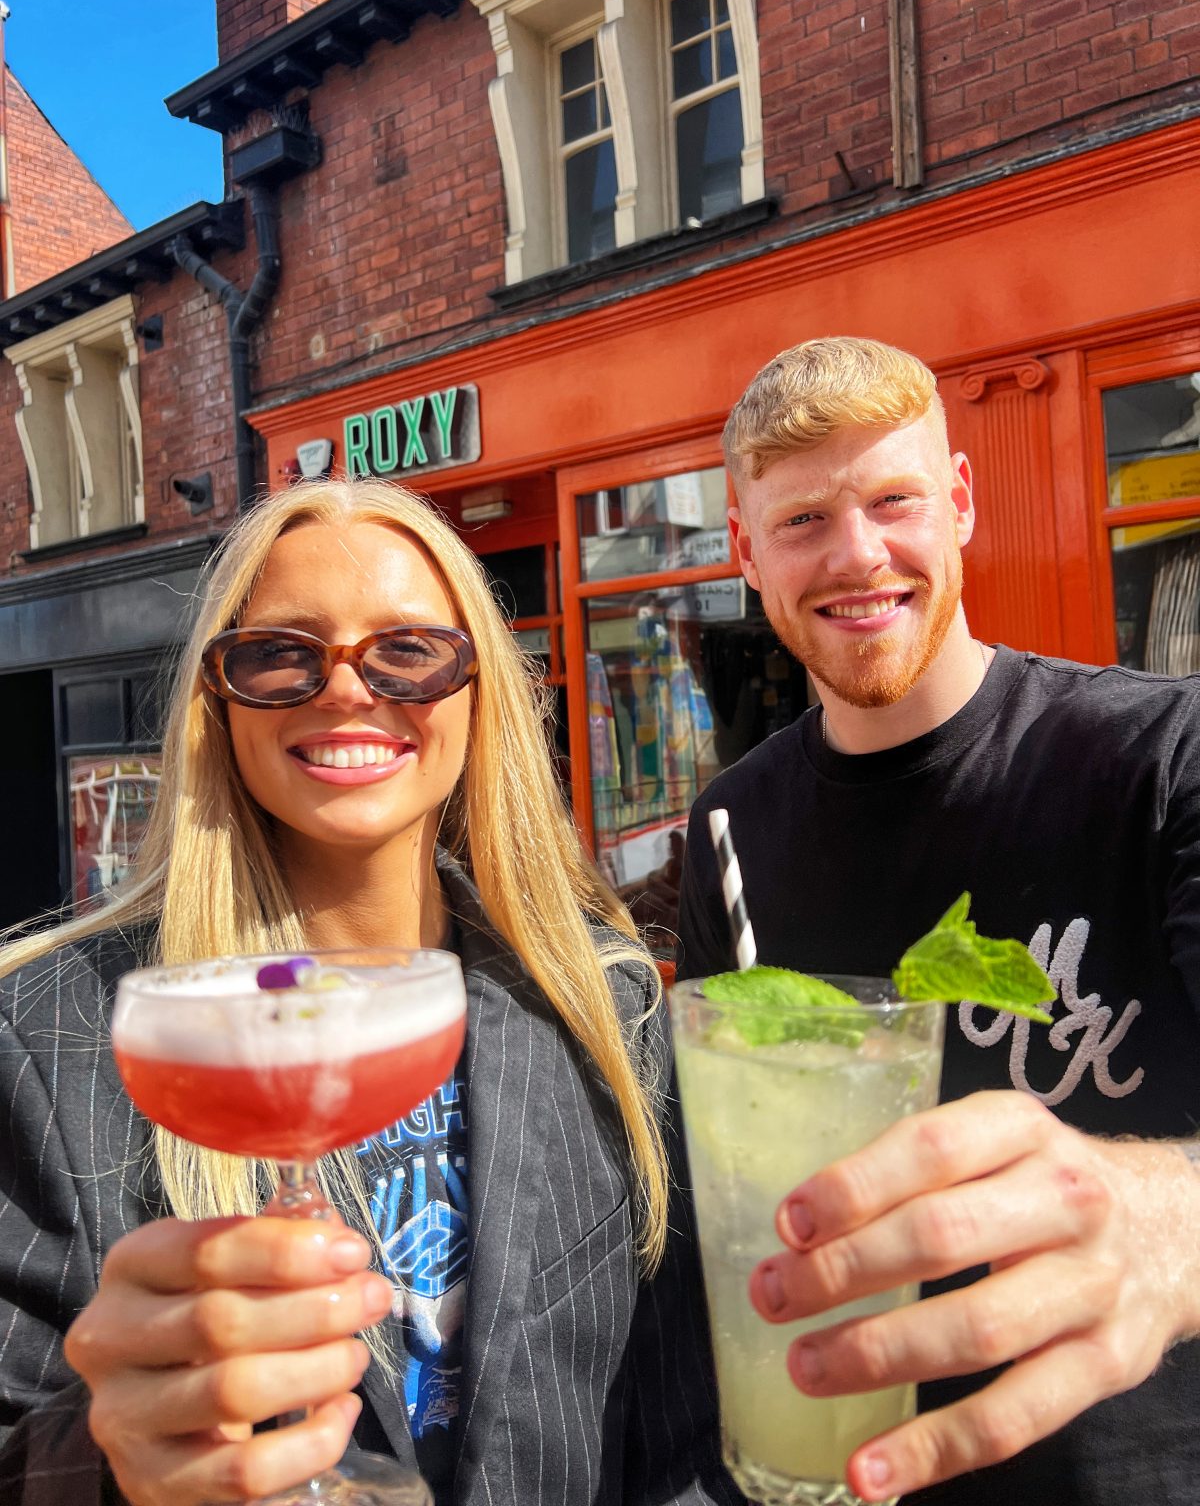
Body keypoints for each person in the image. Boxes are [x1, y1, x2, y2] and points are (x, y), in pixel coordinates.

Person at [0, 478, 740, 1506]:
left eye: (409, 650)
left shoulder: (604, 1008)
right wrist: (108, 1458)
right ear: (218, 702)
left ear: (481, 692)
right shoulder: (46, 1035)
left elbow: (683, 1423)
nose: (346, 689)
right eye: (278, 654)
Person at [676, 337, 1200, 1506]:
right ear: (744, 549)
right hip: (834, 1471)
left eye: (893, 499)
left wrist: (1171, 1222)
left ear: (958, 502)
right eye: (804, 519)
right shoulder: (727, 834)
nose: (858, 554)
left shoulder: (1165, 760)